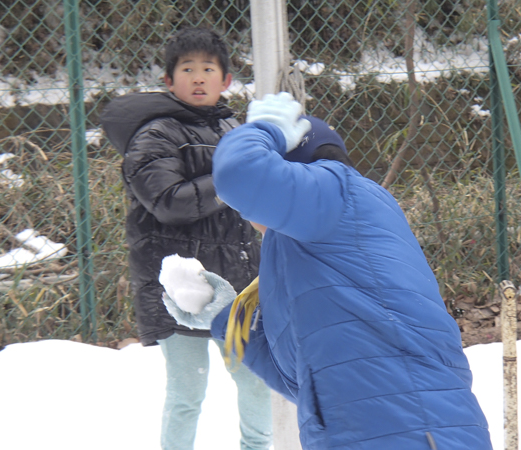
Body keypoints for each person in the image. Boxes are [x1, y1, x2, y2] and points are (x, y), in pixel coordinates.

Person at [161, 92, 493, 449]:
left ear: (295, 166)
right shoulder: (306, 249)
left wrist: (265, 130)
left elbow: (240, 175)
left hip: (412, 428)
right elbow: (309, 382)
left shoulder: (339, 191)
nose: (241, 211)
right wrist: (226, 316)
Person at [100, 27, 272, 450]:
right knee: (187, 394)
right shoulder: (155, 135)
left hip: (234, 285)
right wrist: (231, 179)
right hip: (182, 290)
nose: (199, 78)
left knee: (255, 384)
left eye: (208, 69)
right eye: (188, 69)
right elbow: (167, 201)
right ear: (169, 81)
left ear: (226, 80)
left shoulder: (233, 127)